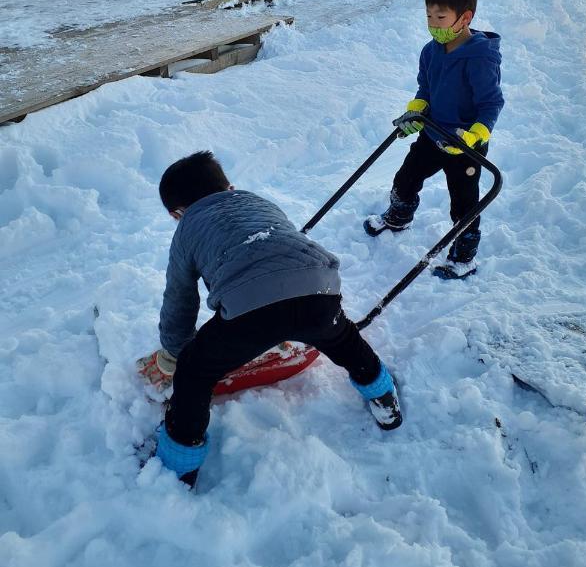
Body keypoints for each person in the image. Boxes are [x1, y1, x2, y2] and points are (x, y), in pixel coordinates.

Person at [137, 151, 402, 487]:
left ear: (178, 213)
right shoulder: (259, 202)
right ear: (230, 187)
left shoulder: (188, 228)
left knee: (194, 371)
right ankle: (383, 397)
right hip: (320, 289)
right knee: (344, 339)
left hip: (251, 312)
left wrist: (176, 350)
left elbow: (180, 299)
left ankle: (177, 467)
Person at [364, 0, 504, 280]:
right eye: (428, 15)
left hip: (464, 145)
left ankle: (464, 255)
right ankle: (399, 216)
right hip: (432, 134)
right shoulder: (430, 51)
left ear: (464, 17)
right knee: (405, 178)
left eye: (440, 16)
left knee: (463, 202)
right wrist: (416, 110)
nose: (433, 23)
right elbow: (425, 90)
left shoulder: (479, 58)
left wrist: (475, 135)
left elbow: (491, 103)